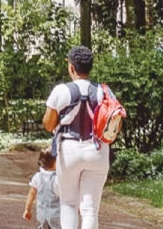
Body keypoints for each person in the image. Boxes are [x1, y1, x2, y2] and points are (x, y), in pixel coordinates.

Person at [42, 45, 113, 229]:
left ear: (72, 67)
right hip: (97, 151)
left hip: (69, 150)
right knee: (90, 209)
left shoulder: (61, 91)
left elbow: (48, 124)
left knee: (69, 203)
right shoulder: (104, 91)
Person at [24, 148, 60, 229]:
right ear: (55, 163)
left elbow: (32, 193)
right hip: (57, 215)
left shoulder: (37, 177)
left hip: (42, 214)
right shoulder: (58, 179)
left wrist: (27, 209)